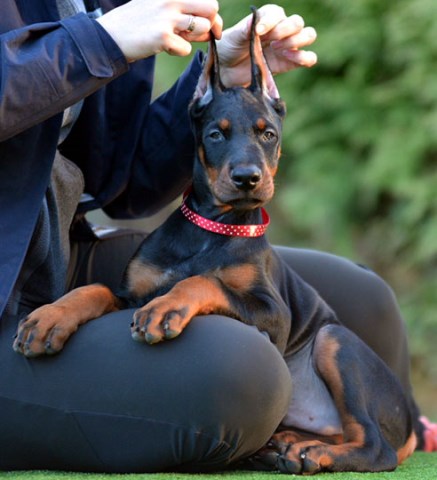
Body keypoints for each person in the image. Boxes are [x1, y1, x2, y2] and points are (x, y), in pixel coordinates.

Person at [0, 0, 435, 472]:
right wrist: (97, 43)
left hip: (55, 247)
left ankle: (396, 431)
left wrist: (219, 77)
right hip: (8, 282)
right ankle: (340, 435)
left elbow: (125, 180)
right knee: (244, 371)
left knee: (363, 297)